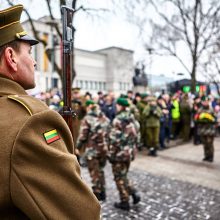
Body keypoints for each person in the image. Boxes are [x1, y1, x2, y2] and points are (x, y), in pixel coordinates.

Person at [0, 4, 100, 219]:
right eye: (29, 51)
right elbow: (82, 214)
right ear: (11, 57)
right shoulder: (29, 121)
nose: (34, 61)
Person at [108, 98, 141, 211]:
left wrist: (111, 154)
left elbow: (114, 140)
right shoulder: (133, 119)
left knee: (119, 177)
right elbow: (137, 137)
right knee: (124, 175)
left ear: (120, 106)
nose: (115, 107)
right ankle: (133, 192)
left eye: (117, 105)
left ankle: (124, 201)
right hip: (129, 153)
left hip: (119, 154)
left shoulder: (117, 120)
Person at [76, 100, 110, 201]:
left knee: (94, 172)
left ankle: (97, 194)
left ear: (89, 108)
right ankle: (103, 191)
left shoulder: (88, 119)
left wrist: (77, 147)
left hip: (92, 150)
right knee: (101, 171)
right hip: (104, 150)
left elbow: (83, 136)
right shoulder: (105, 118)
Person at [195, 96, 216, 162]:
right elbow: (196, 118)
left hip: (210, 130)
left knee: (209, 144)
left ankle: (211, 157)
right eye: (204, 102)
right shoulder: (200, 110)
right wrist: (198, 120)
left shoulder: (211, 109)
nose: (205, 103)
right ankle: (206, 156)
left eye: (206, 102)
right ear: (202, 102)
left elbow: (215, 118)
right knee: (204, 144)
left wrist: (211, 120)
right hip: (202, 130)